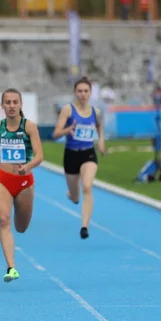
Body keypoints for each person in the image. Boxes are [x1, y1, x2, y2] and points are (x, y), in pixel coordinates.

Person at [0, 88, 44, 283]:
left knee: (21, 227)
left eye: (14, 102)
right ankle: (11, 267)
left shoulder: (29, 127)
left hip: (24, 182)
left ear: (20, 104)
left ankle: (20, 219)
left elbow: (40, 156)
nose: (11, 106)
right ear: (2, 106)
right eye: (7, 102)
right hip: (3, 180)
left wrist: (28, 166)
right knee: (3, 219)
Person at [53, 76, 105, 239]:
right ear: (75, 92)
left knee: (87, 186)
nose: (83, 94)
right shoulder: (68, 110)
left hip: (88, 153)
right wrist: (67, 130)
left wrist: (101, 141)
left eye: (86, 91)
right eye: (80, 91)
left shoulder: (96, 112)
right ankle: (71, 194)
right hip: (71, 155)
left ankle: (84, 226)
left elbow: (99, 126)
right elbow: (55, 134)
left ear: (90, 93)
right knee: (76, 197)